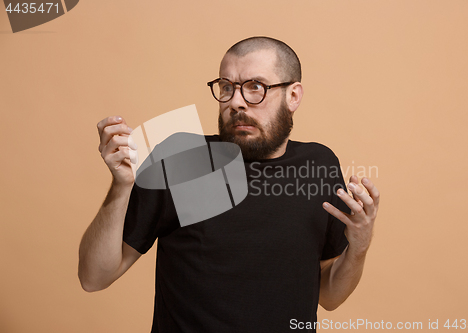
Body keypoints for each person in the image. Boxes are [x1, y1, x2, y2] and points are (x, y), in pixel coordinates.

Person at [78, 36, 380, 332]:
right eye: (226, 88)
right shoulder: (182, 159)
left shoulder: (319, 165)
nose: (236, 102)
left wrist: (359, 246)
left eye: (255, 88)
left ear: (293, 96)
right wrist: (121, 187)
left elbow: (329, 296)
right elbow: (94, 277)